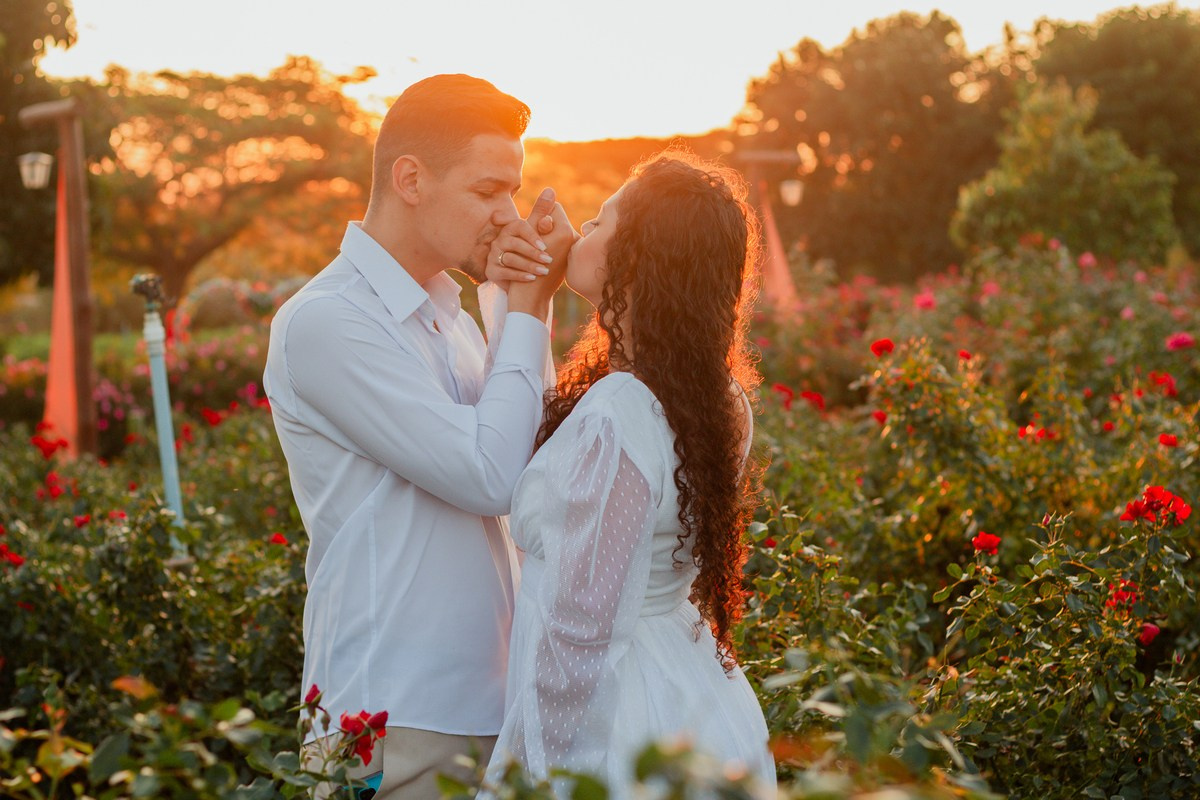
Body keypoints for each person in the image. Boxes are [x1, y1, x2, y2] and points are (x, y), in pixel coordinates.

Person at [262, 74, 572, 799]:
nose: (509, 214)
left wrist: (508, 302)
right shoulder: (328, 322)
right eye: (489, 190)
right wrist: (526, 305)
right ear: (410, 179)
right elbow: (486, 474)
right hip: (391, 711)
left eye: (515, 192)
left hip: (490, 697)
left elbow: (535, 464)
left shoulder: (456, 319)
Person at [482, 152, 775, 796]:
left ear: (637, 259)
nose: (577, 231)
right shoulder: (719, 399)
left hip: (616, 705)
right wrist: (533, 297)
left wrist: (543, 772)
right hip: (689, 685)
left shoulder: (621, 410)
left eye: (597, 222)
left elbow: (581, 624)